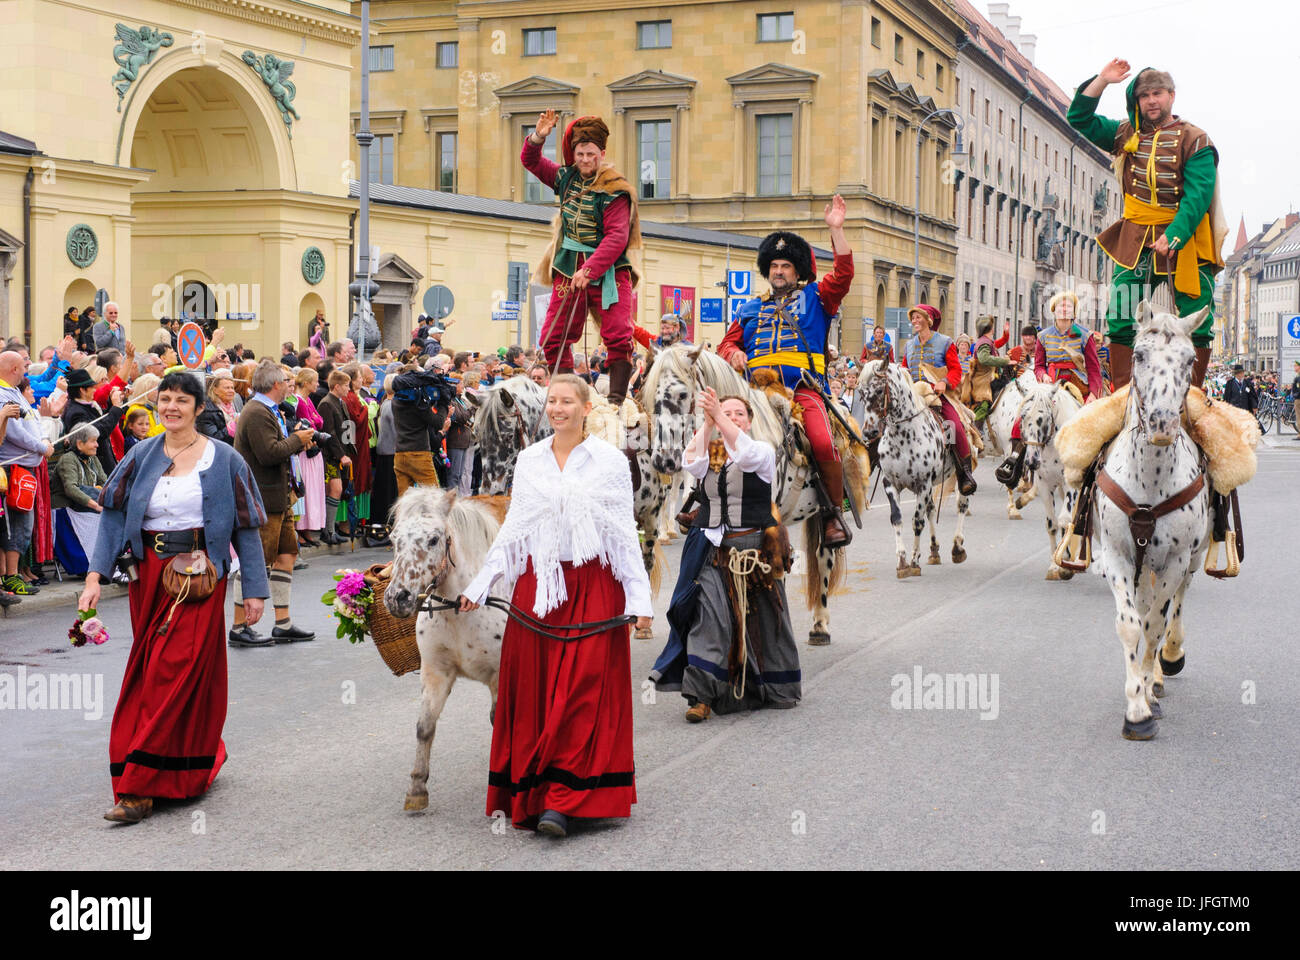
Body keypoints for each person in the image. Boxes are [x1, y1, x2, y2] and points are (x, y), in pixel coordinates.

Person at [459, 374, 651, 837]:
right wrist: (481, 584)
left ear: (586, 408)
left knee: (582, 691)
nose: (557, 408)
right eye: (552, 401)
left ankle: (565, 800)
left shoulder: (608, 462)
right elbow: (515, 530)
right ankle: (539, 793)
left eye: (567, 401)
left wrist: (638, 598)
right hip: (539, 586)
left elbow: (623, 534)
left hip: (594, 585)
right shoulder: (529, 461)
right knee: (538, 694)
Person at [79, 371, 271, 824]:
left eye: (181, 400)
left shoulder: (224, 460)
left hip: (200, 580)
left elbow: (246, 528)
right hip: (148, 578)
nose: (170, 407)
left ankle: (139, 786)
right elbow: (112, 517)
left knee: (174, 670)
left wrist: (254, 591)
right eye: (164, 399)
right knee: (151, 674)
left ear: (198, 408)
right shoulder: (140, 455)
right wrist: (93, 577)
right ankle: (184, 764)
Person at [1068, 61, 1226, 390]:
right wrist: (1102, 80)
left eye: (1157, 93)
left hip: (1184, 240)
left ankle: (1192, 395)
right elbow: (1079, 118)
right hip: (1135, 239)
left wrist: (1175, 234)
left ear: (1171, 96)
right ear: (1137, 101)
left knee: (1199, 318)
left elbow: (1198, 196)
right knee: (1120, 314)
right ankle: (1123, 391)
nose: (1151, 100)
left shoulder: (1196, 140)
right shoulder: (1126, 133)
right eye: (1145, 95)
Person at [718, 196, 856, 547]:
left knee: (823, 441)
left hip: (802, 390)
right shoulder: (749, 308)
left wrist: (836, 230)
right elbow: (725, 345)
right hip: (754, 394)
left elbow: (843, 275)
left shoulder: (817, 298)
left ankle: (832, 514)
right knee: (714, 432)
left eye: (786, 266)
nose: (779, 271)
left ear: (798, 271)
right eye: (774, 266)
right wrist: (733, 353)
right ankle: (700, 501)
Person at [671, 388, 800, 721]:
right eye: (726, 414)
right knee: (707, 617)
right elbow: (690, 461)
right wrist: (708, 421)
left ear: (751, 420)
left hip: (756, 551)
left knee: (767, 625)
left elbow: (744, 455)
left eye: (738, 414)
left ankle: (833, 509)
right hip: (716, 550)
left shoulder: (761, 450)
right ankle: (700, 696)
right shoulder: (709, 454)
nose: (732, 418)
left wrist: (719, 416)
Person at [523, 110, 643, 407]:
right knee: (553, 336)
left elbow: (617, 237)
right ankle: (567, 395)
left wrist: (590, 270)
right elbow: (531, 161)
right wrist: (538, 136)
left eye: (591, 154)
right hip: (568, 266)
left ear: (601, 153)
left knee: (618, 335)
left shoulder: (616, 190)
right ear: (573, 154)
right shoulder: (565, 178)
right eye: (580, 154)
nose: (585, 160)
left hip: (609, 271)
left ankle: (616, 401)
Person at [229, 360, 317, 646]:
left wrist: (296, 441)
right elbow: (269, 453)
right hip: (262, 497)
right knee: (256, 562)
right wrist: (296, 439)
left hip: (278, 496)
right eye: (286, 382)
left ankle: (283, 622)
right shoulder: (256, 412)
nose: (290, 386)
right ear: (276, 384)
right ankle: (239, 626)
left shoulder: (266, 409)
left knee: (287, 554)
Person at [998, 292, 1103, 485]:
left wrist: (1094, 395)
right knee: (1026, 412)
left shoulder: (1085, 336)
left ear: (1074, 312)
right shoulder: (1043, 336)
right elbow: (1038, 365)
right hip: (1050, 381)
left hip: (1077, 382)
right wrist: (1042, 375)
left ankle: (1096, 461)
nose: (1065, 309)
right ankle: (1015, 458)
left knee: (1094, 419)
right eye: (1061, 306)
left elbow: (1095, 370)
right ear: (1054, 311)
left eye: (1069, 306)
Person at [898, 304, 978, 496]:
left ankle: (963, 472)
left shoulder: (945, 342)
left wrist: (944, 381)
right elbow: (904, 369)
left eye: (918, 317)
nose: (915, 321)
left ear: (928, 320)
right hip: (914, 395)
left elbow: (956, 370)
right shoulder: (909, 345)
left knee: (955, 426)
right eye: (913, 318)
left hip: (938, 395)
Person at [0, 353, 55, 597]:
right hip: (14, 470)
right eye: (23, 366)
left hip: (24, 469)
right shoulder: (3, 395)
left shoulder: (11, 392)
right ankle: (10, 576)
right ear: (13, 368)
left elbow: (28, 424)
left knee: (22, 525)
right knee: (17, 526)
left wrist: (44, 435)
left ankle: (10, 575)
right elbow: (14, 432)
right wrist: (42, 447)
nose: (26, 370)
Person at [50, 424, 108, 576]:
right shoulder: (68, 459)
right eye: (93, 441)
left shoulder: (93, 459)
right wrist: (96, 505)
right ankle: (88, 567)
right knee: (99, 517)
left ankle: (106, 564)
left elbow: (105, 482)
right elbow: (71, 489)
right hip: (66, 509)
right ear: (80, 444)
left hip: (84, 508)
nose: (97, 445)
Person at [316, 368, 354, 545]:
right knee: (335, 490)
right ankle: (327, 530)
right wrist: (340, 455)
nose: (349, 388)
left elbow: (346, 426)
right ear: (336, 386)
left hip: (342, 452)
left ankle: (330, 529)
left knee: (337, 491)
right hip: (330, 455)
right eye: (346, 385)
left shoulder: (341, 402)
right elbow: (328, 432)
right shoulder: (326, 403)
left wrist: (350, 449)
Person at [291, 368, 327, 546]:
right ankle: (301, 528)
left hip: (313, 450)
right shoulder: (299, 401)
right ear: (305, 382)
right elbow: (312, 423)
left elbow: (318, 420)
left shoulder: (308, 400)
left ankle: (307, 529)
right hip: (305, 451)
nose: (318, 384)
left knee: (314, 490)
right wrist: (315, 424)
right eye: (315, 381)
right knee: (307, 490)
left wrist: (315, 423)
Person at [961, 315, 1014, 420]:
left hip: (987, 379)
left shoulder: (987, 341)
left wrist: (1006, 333)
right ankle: (974, 428)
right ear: (989, 327)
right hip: (981, 382)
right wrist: (1005, 361)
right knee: (983, 405)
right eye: (992, 325)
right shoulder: (984, 342)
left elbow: (1002, 341)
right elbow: (984, 359)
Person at [197, 368, 239, 443]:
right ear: (215, 390)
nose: (231, 391)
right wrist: (233, 426)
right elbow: (213, 438)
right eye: (227, 388)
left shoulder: (235, 403)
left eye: (232, 388)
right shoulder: (207, 410)